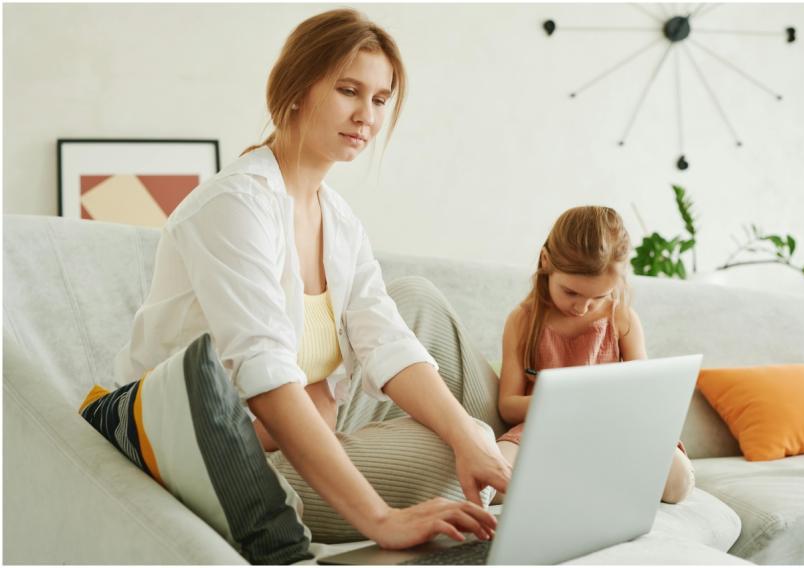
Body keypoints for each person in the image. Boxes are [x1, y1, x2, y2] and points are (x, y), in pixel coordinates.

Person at [113, 8, 510, 550]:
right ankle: (524, 449)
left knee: (427, 328)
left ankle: (510, 445)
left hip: (303, 426)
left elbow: (386, 339)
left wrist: (469, 437)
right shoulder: (236, 206)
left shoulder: (337, 218)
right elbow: (268, 379)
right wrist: (381, 520)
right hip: (230, 456)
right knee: (446, 451)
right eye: (349, 90)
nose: (366, 115)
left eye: (379, 99)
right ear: (297, 87)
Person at [494, 206, 695, 504]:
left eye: (599, 296)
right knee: (494, 484)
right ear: (546, 261)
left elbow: (643, 392)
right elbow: (508, 406)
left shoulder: (622, 318)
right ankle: (585, 479)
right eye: (571, 292)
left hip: (611, 430)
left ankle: (581, 478)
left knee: (679, 482)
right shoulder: (522, 321)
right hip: (545, 430)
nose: (582, 307)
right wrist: (565, 400)